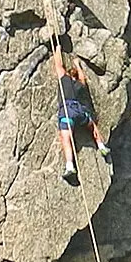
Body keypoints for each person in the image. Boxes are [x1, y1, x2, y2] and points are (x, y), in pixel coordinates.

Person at [55, 51, 107, 181]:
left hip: (68, 111)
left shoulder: (64, 80)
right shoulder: (80, 84)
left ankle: (70, 166)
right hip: (80, 112)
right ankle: (101, 146)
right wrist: (77, 65)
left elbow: (58, 65)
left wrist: (57, 49)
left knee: (65, 137)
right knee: (92, 125)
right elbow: (83, 78)